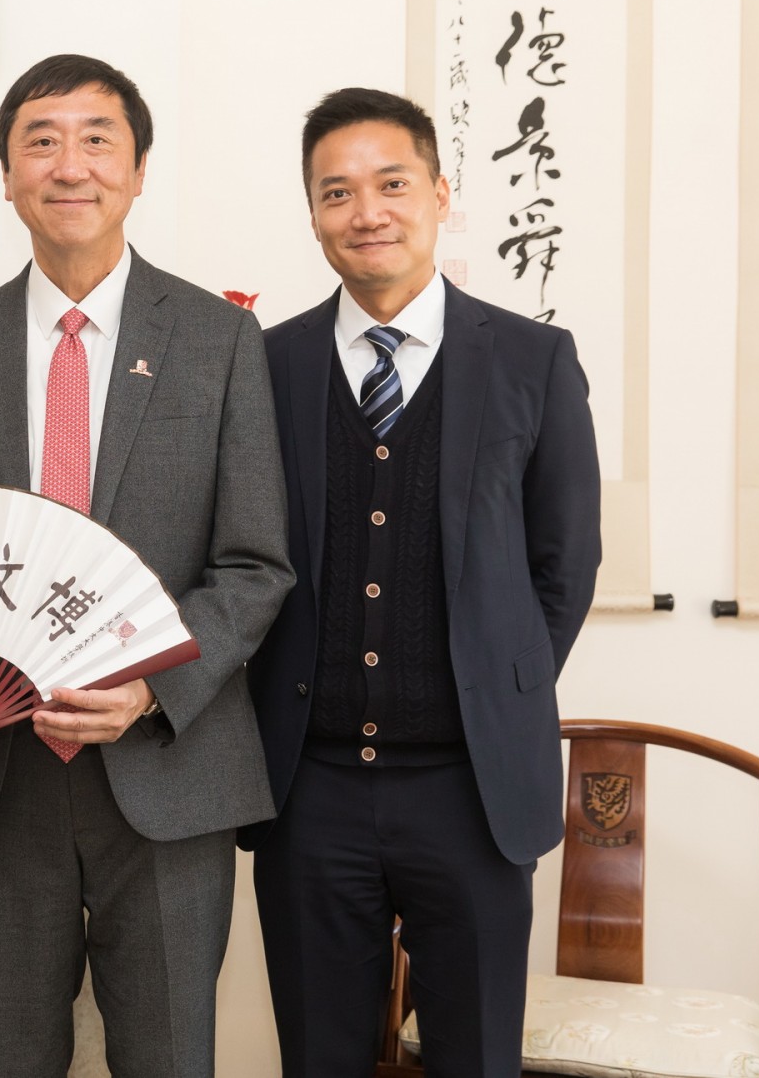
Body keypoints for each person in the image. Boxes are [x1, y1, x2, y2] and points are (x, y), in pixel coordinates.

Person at [0, 54, 293, 1077]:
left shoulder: (220, 340)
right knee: (5, 1060)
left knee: (165, 1058)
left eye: (97, 138)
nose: (71, 165)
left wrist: (152, 685)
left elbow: (254, 565)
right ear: (6, 176)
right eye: (40, 140)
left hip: (164, 774)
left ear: (139, 168)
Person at [245, 88, 602, 1076]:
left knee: (476, 1058)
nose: (365, 211)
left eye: (390, 183)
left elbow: (561, 563)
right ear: (312, 212)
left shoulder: (531, 359)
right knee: (318, 1056)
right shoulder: (265, 365)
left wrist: (498, 684)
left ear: (440, 193)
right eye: (335, 192)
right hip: (307, 786)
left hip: (470, 789)